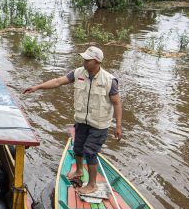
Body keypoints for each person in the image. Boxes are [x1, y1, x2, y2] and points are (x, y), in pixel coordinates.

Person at [23, 46, 123, 197]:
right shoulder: (78, 73)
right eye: (84, 59)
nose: (84, 62)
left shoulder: (109, 81)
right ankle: (78, 170)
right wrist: (37, 87)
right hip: (82, 121)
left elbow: (116, 103)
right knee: (78, 148)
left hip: (99, 125)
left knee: (90, 151)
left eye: (87, 60)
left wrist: (118, 126)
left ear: (97, 62)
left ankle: (92, 184)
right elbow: (57, 81)